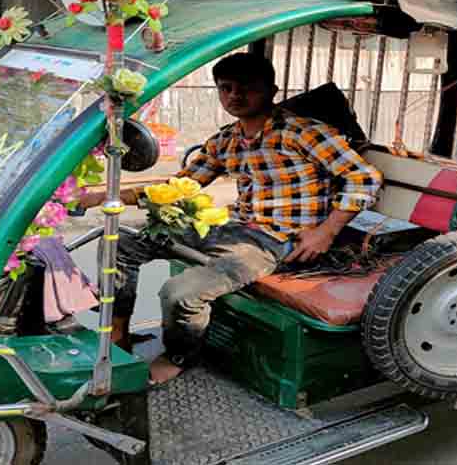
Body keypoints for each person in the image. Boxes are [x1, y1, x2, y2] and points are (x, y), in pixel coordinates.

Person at [101, 52, 383, 384]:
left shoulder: (304, 133)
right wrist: (107, 197)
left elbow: (365, 177)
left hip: (281, 241)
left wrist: (326, 232)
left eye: (247, 88)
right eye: (226, 88)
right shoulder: (226, 140)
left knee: (180, 293)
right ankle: (119, 332)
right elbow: (181, 187)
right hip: (235, 228)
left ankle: (179, 356)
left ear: (272, 90)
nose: (235, 96)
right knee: (120, 243)